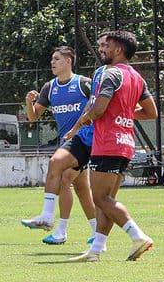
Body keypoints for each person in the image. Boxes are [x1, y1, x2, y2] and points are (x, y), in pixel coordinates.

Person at [64, 30, 158, 263]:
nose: (102, 50)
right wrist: (124, 114)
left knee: (101, 199)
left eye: (107, 46)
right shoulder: (137, 77)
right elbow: (151, 112)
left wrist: (83, 121)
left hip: (107, 143)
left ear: (118, 50)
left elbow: (98, 109)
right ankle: (96, 251)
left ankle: (138, 235)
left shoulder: (111, 73)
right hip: (126, 143)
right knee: (106, 199)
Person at [20, 46, 98, 245]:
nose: (52, 63)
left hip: (84, 141)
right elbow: (33, 117)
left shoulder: (83, 83)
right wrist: (29, 103)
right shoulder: (50, 87)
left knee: (64, 177)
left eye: (57, 59)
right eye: (52, 59)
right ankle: (96, 230)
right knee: (81, 189)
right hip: (69, 144)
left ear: (69, 61)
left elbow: (98, 105)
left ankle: (60, 230)